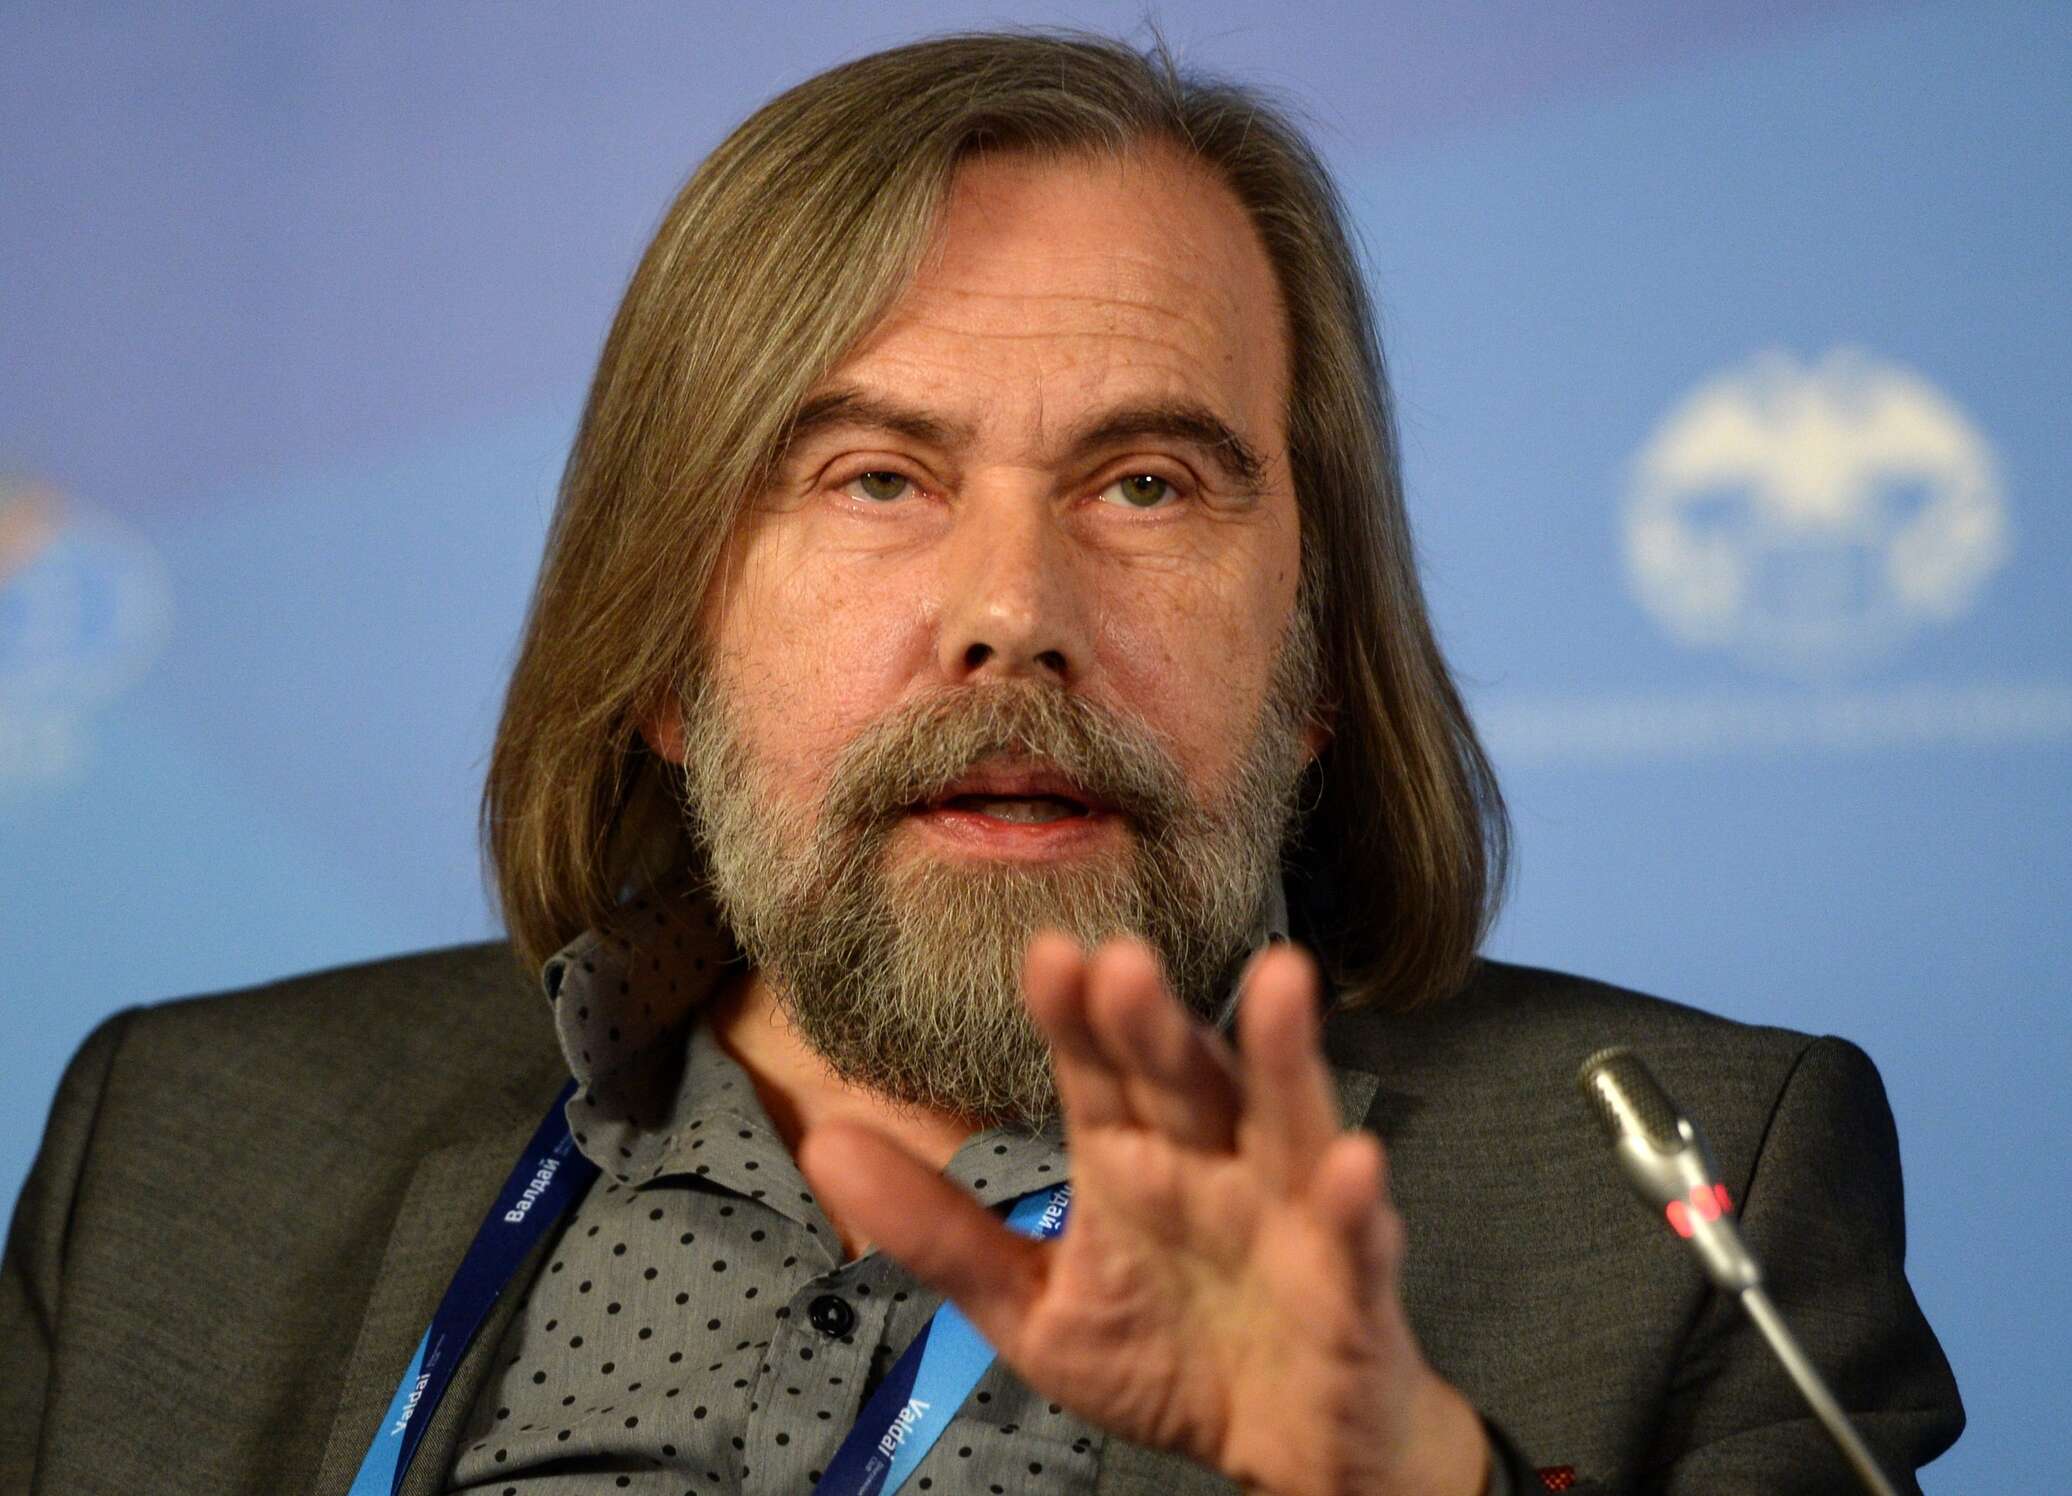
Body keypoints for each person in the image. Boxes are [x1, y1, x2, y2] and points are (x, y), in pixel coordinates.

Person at [0, 31, 1960, 1496]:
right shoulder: (185, 1143)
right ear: (661, 645)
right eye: (875, 478)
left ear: (1318, 660)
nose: (1012, 611)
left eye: (1147, 481)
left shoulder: (1681, 1205)